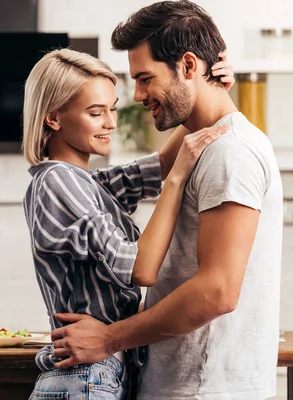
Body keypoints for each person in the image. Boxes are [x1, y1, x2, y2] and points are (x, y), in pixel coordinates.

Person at [49, 2, 284, 400]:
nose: (138, 95)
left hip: (203, 389)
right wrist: (213, 91)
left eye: (145, 79)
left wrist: (108, 339)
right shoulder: (210, 143)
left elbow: (218, 291)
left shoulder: (231, 153)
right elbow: (161, 162)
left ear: (188, 66)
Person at [22, 46, 233, 400]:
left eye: (112, 110)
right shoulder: (58, 182)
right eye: (95, 113)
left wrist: (209, 91)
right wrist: (178, 180)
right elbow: (140, 269)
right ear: (53, 118)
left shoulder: (87, 183)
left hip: (101, 372)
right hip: (84, 376)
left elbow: (159, 164)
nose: (111, 123)